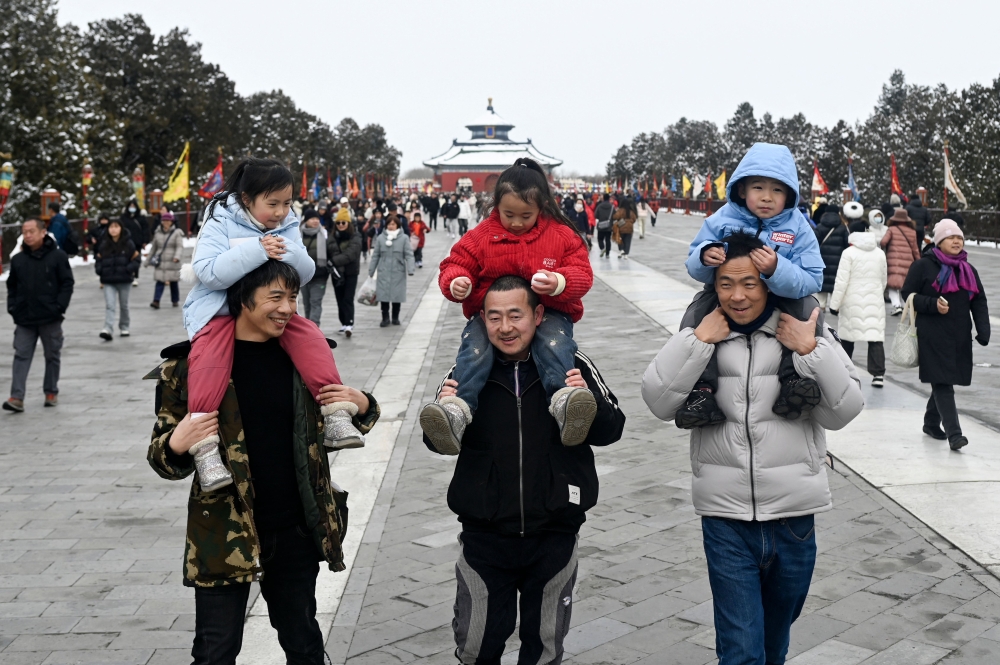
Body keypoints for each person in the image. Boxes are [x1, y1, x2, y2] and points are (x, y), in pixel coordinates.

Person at [641, 231, 864, 665]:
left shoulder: (802, 328)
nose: (738, 296)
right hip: (725, 519)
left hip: (794, 519)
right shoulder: (701, 332)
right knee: (742, 651)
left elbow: (845, 411)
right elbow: (657, 401)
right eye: (726, 284)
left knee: (772, 645)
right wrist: (697, 342)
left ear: (768, 282)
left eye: (749, 283)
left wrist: (811, 350)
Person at [146, 259, 381, 665]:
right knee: (214, 653)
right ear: (241, 297)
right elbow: (164, 461)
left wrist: (363, 404)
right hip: (224, 533)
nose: (288, 308)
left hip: (295, 530)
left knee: (304, 644)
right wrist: (176, 444)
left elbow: (343, 417)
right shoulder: (187, 368)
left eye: (292, 297)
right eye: (276, 297)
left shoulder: (304, 358)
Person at [424, 275, 625, 665]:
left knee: (544, 648)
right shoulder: (467, 372)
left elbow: (612, 429)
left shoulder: (571, 362)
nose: (505, 328)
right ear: (481, 319)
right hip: (485, 535)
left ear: (538, 315)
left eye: (516, 315)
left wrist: (588, 399)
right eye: (494, 317)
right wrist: (448, 407)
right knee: (475, 646)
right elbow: (438, 442)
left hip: (554, 532)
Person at [182, 158, 366, 496]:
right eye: (273, 203)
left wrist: (287, 251)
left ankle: (336, 411)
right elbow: (207, 272)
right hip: (220, 310)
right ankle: (206, 447)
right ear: (247, 198)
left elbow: (305, 271)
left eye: (286, 203)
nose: (281, 212)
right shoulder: (219, 218)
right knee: (208, 361)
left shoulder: (287, 223)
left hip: (272, 306)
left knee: (311, 338)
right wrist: (257, 249)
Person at [420, 157, 596, 454]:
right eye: (508, 214)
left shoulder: (561, 236)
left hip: (550, 310)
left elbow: (583, 274)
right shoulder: (480, 237)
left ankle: (565, 402)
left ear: (542, 208)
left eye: (525, 215)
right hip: (490, 313)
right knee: (474, 349)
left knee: (554, 344)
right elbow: (455, 264)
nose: (516, 223)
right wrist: (457, 282)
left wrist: (558, 282)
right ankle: (457, 410)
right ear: (495, 206)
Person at [676, 143, 826, 429]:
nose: (767, 197)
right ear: (742, 189)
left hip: (780, 296)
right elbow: (693, 264)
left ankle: (793, 381)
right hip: (732, 294)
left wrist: (776, 270)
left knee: (808, 308)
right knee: (697, 312)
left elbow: (813, 277)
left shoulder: (798, 227)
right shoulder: (721, 219)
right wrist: (705, 256)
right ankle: (701, 392)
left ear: (790, 194)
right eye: (758, 187)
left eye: (777, 190)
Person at [902, 219, 990, 451]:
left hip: (959, 335)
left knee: (945, 379)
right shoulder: (923, 266)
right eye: (951, 237)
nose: (956, 241)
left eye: (959, 238)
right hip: (932, 334)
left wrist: (983, 330)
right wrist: (931, 304)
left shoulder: (968, 269)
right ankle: (955, 434)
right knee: (942, 382)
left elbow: (979, 300)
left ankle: (931, 422)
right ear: (939, 241)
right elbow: (907, 294)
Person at [4, 218, 74, 412]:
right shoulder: (18, 259)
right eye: (24, 232)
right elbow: (12, 286)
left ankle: (51, 391)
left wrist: (59, 306)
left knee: (52, 355)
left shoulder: (58, 256)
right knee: (21, 355)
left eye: (31, 231)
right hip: (24, 318)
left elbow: (67, 283)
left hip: (50, 317)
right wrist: (13, 307)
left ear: (43, 232)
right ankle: (16, 397)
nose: (27, 235)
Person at [830, 231, 888, 386]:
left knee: (848, 337)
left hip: (851, 299)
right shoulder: (880, 254)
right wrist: (876, 293)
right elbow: (884, 279)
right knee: (875, 337)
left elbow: (841, 281)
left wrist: (834, 305)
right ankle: (878, 375)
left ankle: (845, 370)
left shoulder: (848, 253)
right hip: (874, 299)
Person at [95, 219, 140, 340]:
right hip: (108, 280)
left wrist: (128, 269)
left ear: (121, 228)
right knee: (110, 305)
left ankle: (124, 326)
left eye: (116, 227)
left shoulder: (128, 243)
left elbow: (136, 259)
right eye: (111, 227)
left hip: (124, 280)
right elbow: (98, 259)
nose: (113, 229)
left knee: (124, 305)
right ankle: (107, 328)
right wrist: (100, 270)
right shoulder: (104, 244)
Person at [368, 214, 414, 327]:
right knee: (383, 296)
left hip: (398, 271)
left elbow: (408, 254)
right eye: (389, 224)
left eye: (393, 224)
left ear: (398, 225)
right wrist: (371, 270)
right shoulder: (380, 238)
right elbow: (376, 255)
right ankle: (385, 318)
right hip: (383, 270)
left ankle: (395, 317)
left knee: (396, 295)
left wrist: (410, 268)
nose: (391, 226)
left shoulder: (404, 238)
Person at [881, 208, 921, 315]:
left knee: (893, 285)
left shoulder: (891, 229)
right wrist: (919, 262)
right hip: (908, 261)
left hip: (893, 260)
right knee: (904, 284)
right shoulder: (912, 232)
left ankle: (896, 305)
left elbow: (883, 242)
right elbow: (915, 249)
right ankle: (904, 305)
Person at [328, 217, 362, 337]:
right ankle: (343, 322)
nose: (341, 225)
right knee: (339, 298)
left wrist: (333, 261)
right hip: (336, 273)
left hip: (351, 272)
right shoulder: (332, 236)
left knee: (348, 298)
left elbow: (351, 254)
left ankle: (349, 323)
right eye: (338, 223)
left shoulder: (355, 236)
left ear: (348, 223)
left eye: (343, 222)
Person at [813, 205, 851, 311]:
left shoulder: (819, 226)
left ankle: (821, 305)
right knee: (836, 281)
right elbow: (847, 244)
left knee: (823, 281)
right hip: (838, 260)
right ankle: (835, 306)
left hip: (822, 259)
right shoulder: (842, 227)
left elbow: (814, 244)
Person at [146, 209, 184, 309]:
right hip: (161, 262)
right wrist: (147, 261)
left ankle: (175, 300)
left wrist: (177, 256)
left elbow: (179, 246)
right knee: (159, 281)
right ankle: (156, 301)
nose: (166, 223)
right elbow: (154, 248)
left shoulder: (177, 233)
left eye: (168, 221)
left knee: (173, 282)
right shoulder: (157, 233)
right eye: (164, 221)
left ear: (171, 222)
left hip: (172, 261)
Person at [298, 209, 329, 326]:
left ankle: (314, 327)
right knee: (307, 303)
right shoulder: (298, 234)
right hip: (303, 275)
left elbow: (330, 251)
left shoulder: (324, 234)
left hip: (319, 275)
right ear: (306, 220)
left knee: (315, 302)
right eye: (312, 218)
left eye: (317, 218)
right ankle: (309, 328)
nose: (315, 221)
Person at [120, 198, 149, 286]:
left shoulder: (141, 217)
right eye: (130, 206)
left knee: (136, 259)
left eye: (133, 206)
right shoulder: (123, 218)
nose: (132, 207)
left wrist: (145, 241)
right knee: (126, 259)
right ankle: (128, 275)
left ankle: (135, 277)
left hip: (137, 242)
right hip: (126, 242)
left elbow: (145, 230)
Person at [594, 193, 614, 257]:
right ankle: (607, 253)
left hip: (601, 226)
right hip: (609, 226)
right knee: (608, 239)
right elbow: (615, 215)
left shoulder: (599, 206)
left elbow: (596, 215)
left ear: (603, 198)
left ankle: (602, 248)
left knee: (600, 239)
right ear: (609, 198)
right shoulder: (611, 206)